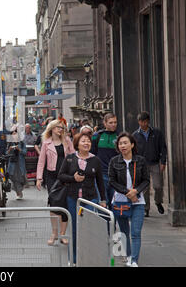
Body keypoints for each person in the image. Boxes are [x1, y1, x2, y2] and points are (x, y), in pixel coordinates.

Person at [58, 132, 107, 264]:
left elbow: (100, 182)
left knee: (89, 228)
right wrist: (73, 178)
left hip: (90, 198)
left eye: (88, 141)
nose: (86, 143)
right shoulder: (69, 158)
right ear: (77, 144)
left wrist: (103, 200)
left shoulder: (95, 160)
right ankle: (73, 259)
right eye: (83, 141)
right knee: (74, 229)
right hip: (72, 198)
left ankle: (88, 257)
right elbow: (61, 176)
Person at [108, 132, 150, 267]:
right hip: (120, 201)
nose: (123, 146)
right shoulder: (114, 161)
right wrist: (127, 192)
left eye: (125, 143)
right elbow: (112, 181)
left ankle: (134, 260)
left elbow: (146, 180)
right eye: (120, 143)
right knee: (124, 231)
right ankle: (128, 255)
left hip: (138, 201)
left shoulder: (141, 160)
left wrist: (136, 192)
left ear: (132, 145)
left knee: (136, 232)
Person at [36, 119, 74, 244]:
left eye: (62, 127)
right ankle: (54, 233)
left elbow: (73, 156)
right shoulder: (46, 143)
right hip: (51, 177)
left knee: (64, 204)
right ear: (52, 128)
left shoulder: (67, 141)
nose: (60, 129)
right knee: (53, 204)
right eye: (58, 127)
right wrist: (39, 178)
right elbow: (41, 161)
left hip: (65, 176)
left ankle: (63, 234)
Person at [132, 111, 167, 217]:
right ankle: (146, 208)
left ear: (148, 121)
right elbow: (133, 151)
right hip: (142, 164)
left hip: (155, 162)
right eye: (141, 122)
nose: (143, 124)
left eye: (145, 122)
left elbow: (163, 147)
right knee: (144, 188)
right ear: (139, 122)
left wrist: (163, 161)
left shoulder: (156, 133)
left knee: (158, 185)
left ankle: (158, 201)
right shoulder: (135, 135)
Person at [91, 113, 118, 210]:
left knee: (115, 204)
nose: (113, 125)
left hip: (116, 175)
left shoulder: (120, 136)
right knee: (103, 204)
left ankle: (112, 225)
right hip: (101, 175)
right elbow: (92, 154)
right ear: (105, 123)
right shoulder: (97, 136)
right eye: (111, 122)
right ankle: (106, 225)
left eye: (115, 122)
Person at [7, 125, 27, 200]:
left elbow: (25, 152)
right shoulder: (10, 143)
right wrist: (9, 150)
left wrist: (19, 149)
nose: (14, 134)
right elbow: (6, 153)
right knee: (14, 178)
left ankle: (19, 191)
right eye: (12, 133)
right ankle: (18, 193)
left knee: (21, 179)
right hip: (12, 164)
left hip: (20, 164)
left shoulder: (22, 143)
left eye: (15, 132)